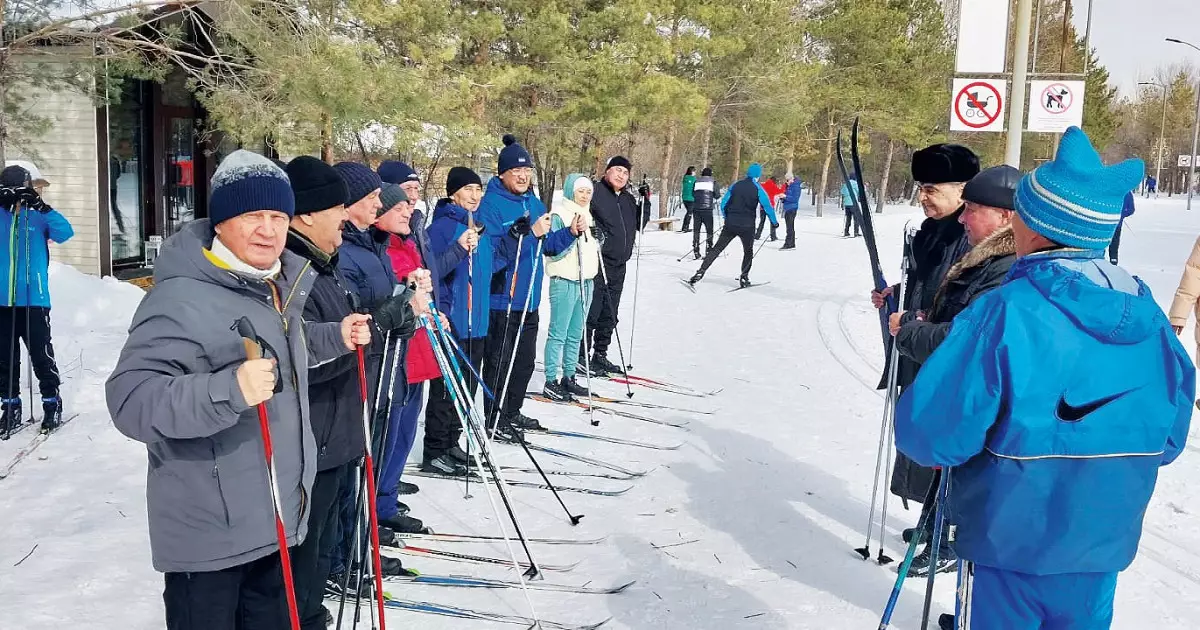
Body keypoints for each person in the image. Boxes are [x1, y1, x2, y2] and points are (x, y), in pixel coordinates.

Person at [894, 126, 1193, 630]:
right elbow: (1169, 436)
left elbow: (932, 433)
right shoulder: (1150, 317)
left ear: (1031, 225)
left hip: (1012, 537)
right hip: (1101, 540)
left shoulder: (1005, 312)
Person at [106, 150, 372, 629]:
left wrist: (334, 335)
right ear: (222, 222)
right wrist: (225, 390)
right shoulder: (180, 297)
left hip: (276, 523)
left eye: (277, 216)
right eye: (252, 216)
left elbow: (279, 347)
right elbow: (131, 400)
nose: (268, 230)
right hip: (211, 543)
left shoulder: (273, 284)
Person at [281, 157, 417, 629]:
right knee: (304, 567)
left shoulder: (325, 262)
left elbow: (349, 326)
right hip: (313, 440)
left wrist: (388, 318)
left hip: (338, 433)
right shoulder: (296, 272)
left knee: (316, 562)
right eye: (337, 207)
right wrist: (377, 323)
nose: (344, 216)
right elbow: (299, 358)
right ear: (307, 213)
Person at [886, 164, 1020, 574]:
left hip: (975, 392)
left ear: (1005, 216)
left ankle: (949, 540)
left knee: (962, 470)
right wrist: (917, 312)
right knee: (945, 465)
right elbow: (956, 315)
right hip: (955, 385)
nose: (963, 217)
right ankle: (934, 524)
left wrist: (910, 330)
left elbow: (965, 339)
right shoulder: (981, 256)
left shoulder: (1003, 265)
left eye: (973, 209)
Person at [329, 161, 421, 579]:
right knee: (352, 470)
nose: (378, 204)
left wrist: (404, 308)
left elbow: (383, 303)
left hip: (385, 367)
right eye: (371, 199)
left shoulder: (370, 244)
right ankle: (343, 554)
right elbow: (354, 316)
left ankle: (358, 544)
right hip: (361, 370)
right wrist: (389, 313)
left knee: (369, 462)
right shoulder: (346, 250)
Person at [479, 135, 582, 436]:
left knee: (523, 364)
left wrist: (570, 234)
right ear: (502, 174)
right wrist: (524, 235)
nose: (523, 176)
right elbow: (494, 257)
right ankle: (495, 419)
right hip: (503, 300)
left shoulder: (533, 202)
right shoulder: (490, 206)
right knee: (500, 365)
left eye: (527, 171)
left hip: (530, 300)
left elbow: (547, 245)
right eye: (516, 172)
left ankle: (512, 412)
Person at [379, 183, 472, 479]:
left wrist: (433, 311)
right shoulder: (389, 247)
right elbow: (392, 298)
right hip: (401, 349)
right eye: (401, 203)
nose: (410, 206)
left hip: (424, 336)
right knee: (392, 428)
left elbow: (427, 282)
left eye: (413, 197)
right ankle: (383, 494)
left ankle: (388, 494)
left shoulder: (411, 239)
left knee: (405, 427)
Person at [427, 165, 515, 442]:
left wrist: (514, 239)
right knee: (447, 389)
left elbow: (492, 266)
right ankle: (437, 447)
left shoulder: (479, 226)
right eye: (468, 189)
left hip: (478, 322)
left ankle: (452, 441)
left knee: (467, 389)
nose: (475, 195)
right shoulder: (442, 228)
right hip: (453, 320)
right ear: (453, 194)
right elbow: (432, 271)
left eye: (478, 189)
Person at [0, 164, 74, 435]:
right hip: (2, 301)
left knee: (41, 355)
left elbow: (65, 233)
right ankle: (10, 407)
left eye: (20, 189)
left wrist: (41, 206)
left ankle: (51, 403)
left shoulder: (38, 216)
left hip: (34, 298)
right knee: (5, 359)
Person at [543, 174, 599, 401]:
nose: (585, 196)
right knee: (559, 333)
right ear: (570, 191)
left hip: (586, 281)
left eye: (588, 192)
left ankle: (569, 375)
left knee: (576, 334)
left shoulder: (588, 214)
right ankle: (550, 379)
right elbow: (552, 248)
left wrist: (598, 238)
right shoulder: (559, 214)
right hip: (565, 280)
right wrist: (572, 233)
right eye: (580, 192)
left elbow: (590, 247)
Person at [583, 156, 639, 377]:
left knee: (610, 311)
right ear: (607, 171)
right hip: (598, 261)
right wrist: (594, 230)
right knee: (592, 309)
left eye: (625, 173)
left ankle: (600, 354)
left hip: (620, 263)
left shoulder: (627, 199)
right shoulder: (595, 192)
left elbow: (637, 225)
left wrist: (646, 202)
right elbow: (581, 216)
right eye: (617, 170)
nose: (621, 176)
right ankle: (580, 355)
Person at [688, 163, 778, 289]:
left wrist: (726, 217)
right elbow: (767, 205)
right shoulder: (758, 188)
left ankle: (700, 271)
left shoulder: (736, 185)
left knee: (717, 249)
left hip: (731, 224)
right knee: (748, 251)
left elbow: (724, 203)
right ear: (758, 175)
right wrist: (774, 222)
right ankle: (744, 277)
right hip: (747, 226)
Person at [689, 166, 718, 260]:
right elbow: (717, 195)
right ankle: (709, 249)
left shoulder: (696, 181)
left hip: (696, 208)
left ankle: (696, 250)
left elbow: (693, 193)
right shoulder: (713, 182)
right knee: (709, 230)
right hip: (707, 209)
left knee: (696, 230)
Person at [756, 172, 785, 241]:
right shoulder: (773, 186)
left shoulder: (763, 185)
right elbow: (780, 191)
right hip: (769, 207)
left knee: (761, 222)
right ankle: (773, 236)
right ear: (774, 181)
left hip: (762, 207)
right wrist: (784, 185)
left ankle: (757, 235)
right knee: (772, 222)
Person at [1108, 192, 1134, 265]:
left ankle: (1113, 260)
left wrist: (1121, 215)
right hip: (1106, 223)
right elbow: (1131, 210)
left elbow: (1131, 209)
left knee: (1113, 242)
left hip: (1112, 223)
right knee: (1113, 243)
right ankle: (1112, 259)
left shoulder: (1127, 193)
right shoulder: (1127, 193)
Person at [781, 174, 802, 250]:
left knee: (789, 227)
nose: (787, 182)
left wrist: (785, 197)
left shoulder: (796, 186)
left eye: (787, 180)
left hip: (792, 208)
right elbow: (788, 196)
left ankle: (789, 244)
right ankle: (791, 243)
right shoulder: (790, 186)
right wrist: (783, 198)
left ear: (791, 179)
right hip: (788, 208)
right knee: (790, 226)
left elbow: (794, 199)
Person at [679, 166, 697, 233]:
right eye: (694, 171)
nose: (695, 172)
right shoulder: (693, 179)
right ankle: (685, 227)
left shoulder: (685, 178)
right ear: (692, 171)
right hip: (691, 198)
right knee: (689, 213)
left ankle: (685, 227)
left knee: (689, 213)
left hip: (684, 198)